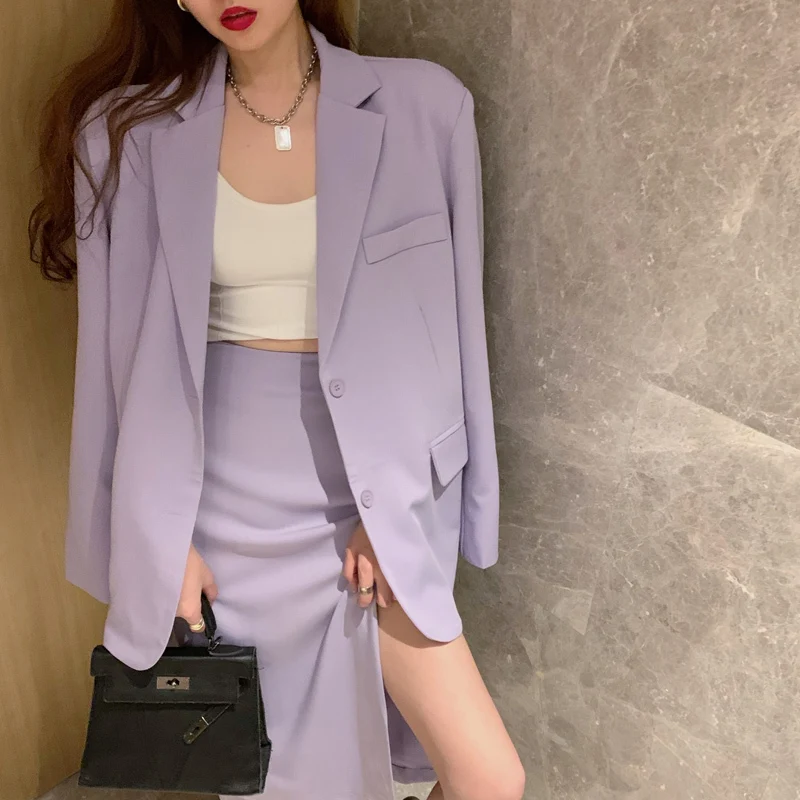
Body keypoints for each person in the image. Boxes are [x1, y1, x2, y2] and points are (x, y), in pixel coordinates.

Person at [29, 2, 525, 799]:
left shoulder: (425, 107)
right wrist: (155, 537)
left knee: (488, 778)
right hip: (215, 509)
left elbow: (449, 336)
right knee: (268, 780)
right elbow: (114, 368)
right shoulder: (127, 131)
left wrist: (406, 501)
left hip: (374, 498)